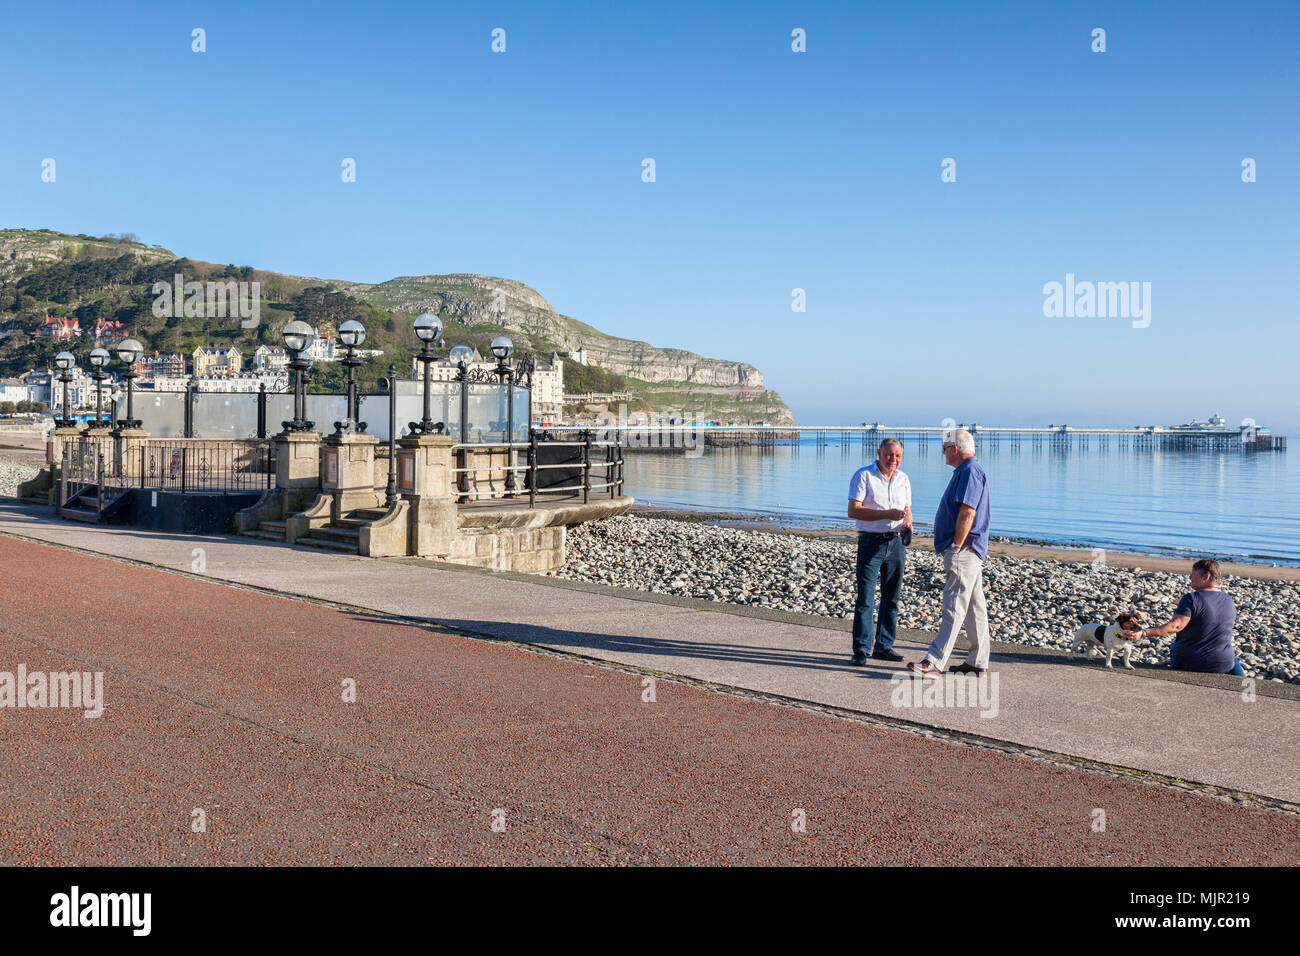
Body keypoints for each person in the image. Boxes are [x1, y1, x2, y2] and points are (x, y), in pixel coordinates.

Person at [907, 428, 992, 676]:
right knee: (975, 607)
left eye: (944, 448)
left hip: (964, 550)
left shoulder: (969, 472)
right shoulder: (966, 471)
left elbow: (968, 512)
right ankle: (978, 661)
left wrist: (955, 545)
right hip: (969, 549)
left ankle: (935, 660)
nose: (942, 452)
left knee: (953, 604)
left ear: (955, 449)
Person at [846, 438, 912, 665]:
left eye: (898, 456)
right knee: (865, 598)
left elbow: (906, 510)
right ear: (879, 453)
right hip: (871, 542)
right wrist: (886, 514)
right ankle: (861, 650)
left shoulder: (903, 479)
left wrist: (908, 524)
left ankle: (884, 646)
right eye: (889, 455)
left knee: (891, 598)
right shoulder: (864, 475)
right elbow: (853, 510)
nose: (893, 460)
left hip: (896, 543)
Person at [1137, 558, 1243, 675]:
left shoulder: (1191, 598)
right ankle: (1243, 682)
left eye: (1193, 574)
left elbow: (1175, 627)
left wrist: (1144, 633)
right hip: (1223, 663)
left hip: (1192, 662)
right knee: (1228, 653)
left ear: (1205, 577)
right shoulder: (1228, 599)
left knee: (1173, 646)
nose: (1190, 577)